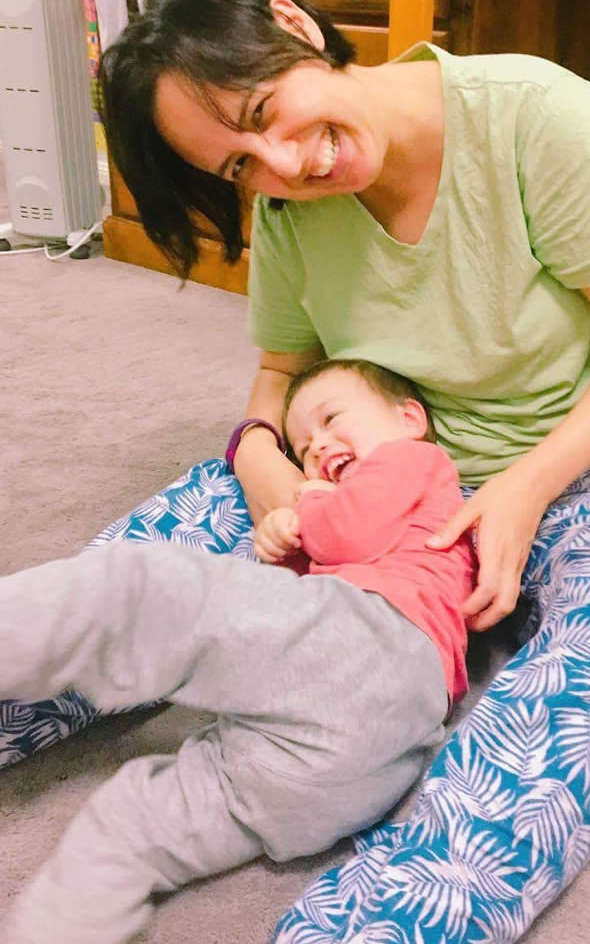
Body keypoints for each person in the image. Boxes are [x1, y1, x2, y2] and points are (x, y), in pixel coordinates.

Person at [3, 0, 590, 942]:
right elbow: (278, 381)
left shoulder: (531, 116)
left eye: (260, 117)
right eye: (240, 168)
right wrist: (263, 466)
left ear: (293, 24)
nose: (286, 169)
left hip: (558, 471)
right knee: (146, 558)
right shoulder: (291, 214)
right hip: (359, 459)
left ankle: (384, 920)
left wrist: (519, 490)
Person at [0, 359, 476, 944]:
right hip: (359, 763)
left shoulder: (415, 460)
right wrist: (286, 549)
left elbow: (345, 536)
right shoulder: (363, 499)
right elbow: (327, 566)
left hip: (374, 641)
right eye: (303, 448)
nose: (319, 446)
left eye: (331, 419)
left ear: (409, 418)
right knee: (133, 819)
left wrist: (308, 500)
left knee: (140, 591)